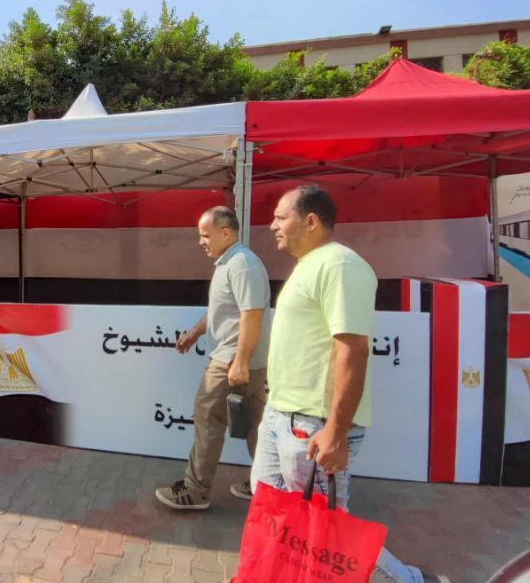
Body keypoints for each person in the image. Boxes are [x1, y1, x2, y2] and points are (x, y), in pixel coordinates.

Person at [251, 184, 447, 583]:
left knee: (325, 529)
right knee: (273, 508)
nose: (272, 225)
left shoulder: (340, 265)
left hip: (313, 425)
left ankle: (406, 580)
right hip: (282, 416)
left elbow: (353, 351)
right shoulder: (309, 264)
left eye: (280, 217)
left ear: (310, 221)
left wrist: (336, 432)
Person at [155, 206, 271, 510]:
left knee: (208, 416)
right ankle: (267, 484)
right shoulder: (229, 263)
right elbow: (223, 310)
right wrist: (194, 333)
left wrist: (240, 362)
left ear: (226, 232)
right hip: (241, 360)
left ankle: (195, 490)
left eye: (205, 235)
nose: (201, 242)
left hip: (232, 360)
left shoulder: (242, 264)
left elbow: (251, 315)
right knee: (257, 425)